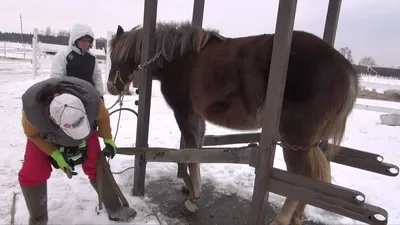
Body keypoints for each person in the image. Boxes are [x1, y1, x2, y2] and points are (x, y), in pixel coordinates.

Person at [18, 76, 137, 225]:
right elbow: (33, 135)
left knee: (97, 163)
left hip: (88, 130)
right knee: (33, 171)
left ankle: (115, 208)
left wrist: (108, 139)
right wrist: (56, 155)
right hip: (45, 135)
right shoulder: (32, 113)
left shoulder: (92, 101)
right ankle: (38, 218)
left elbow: (103, 117)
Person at [50, 23, 105, 98]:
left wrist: (100, 94)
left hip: (89, 96)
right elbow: (56, 78)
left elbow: (97, 76)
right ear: (75, 40)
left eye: (88, 41)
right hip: (68, 97)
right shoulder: (63, 55)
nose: (86, 44)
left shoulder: (91, 57)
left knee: (103, 110)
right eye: (83, 41)